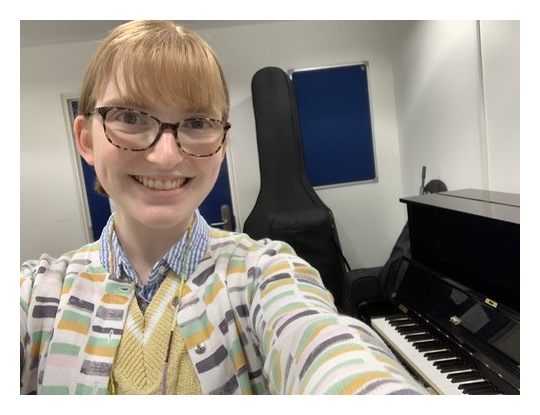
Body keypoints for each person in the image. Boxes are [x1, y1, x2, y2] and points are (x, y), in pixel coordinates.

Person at [20, 20, 427, 395]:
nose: (165, 156)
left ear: (222, 146)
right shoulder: (35, 294)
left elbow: (321, 343)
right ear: (87, 139)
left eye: (196, 123)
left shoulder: (265, 273)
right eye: (129, 116)